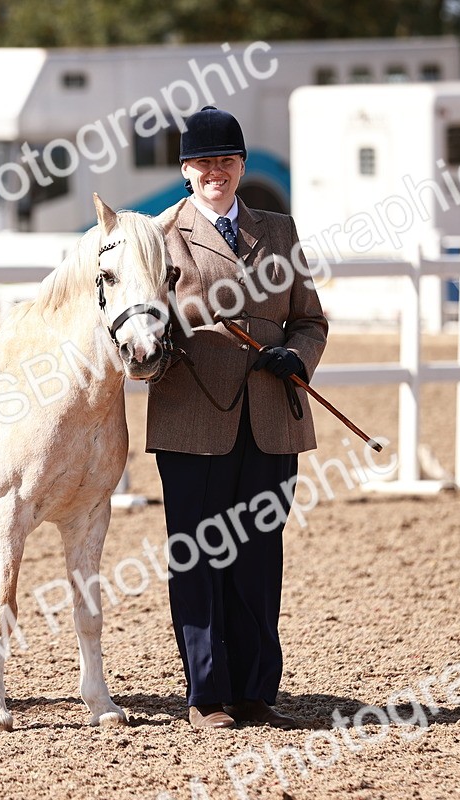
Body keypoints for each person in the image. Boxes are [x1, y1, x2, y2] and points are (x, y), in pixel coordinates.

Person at [147, 106, 328, 730]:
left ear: (242, 165)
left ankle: (255, 690)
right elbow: (142, 328)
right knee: (197, 558)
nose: (215, 172)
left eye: (225, 161)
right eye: (203, 163)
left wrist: (294, 356)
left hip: (271, 419)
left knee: (257, 558)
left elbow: (310, 318)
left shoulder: (278, 230)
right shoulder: (159, 235)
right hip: (192, 421)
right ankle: (206, 693)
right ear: (186, 171)